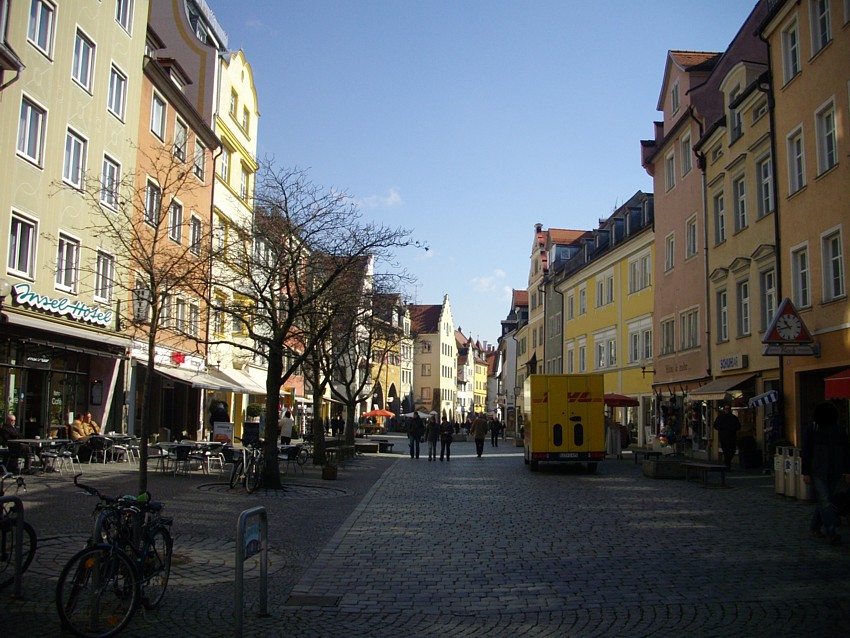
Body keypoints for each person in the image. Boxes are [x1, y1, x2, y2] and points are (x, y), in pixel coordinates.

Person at [801, 401, 850, 545]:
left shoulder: (839, 430)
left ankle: (815, 526)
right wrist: (806, 472)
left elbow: (846, 450)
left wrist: (847, 470)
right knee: (826, 501)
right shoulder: (813, 429)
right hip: (818, 470)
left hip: (834, 470)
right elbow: (807, 451)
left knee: (825, 500)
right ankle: (831, 531)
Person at [712, 403, 741, 469]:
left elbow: (738, 426)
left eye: (728, 408)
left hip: (732, 437)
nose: (727, 410)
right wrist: (722, 428)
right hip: (724, 437)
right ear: (724, 409)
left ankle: (727, 463)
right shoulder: (720, 417)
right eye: (726, 409)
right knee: (726, 451)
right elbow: (715, 425)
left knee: (732, 451)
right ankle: (727, 464)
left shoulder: (733, 417)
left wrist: (733, 428)